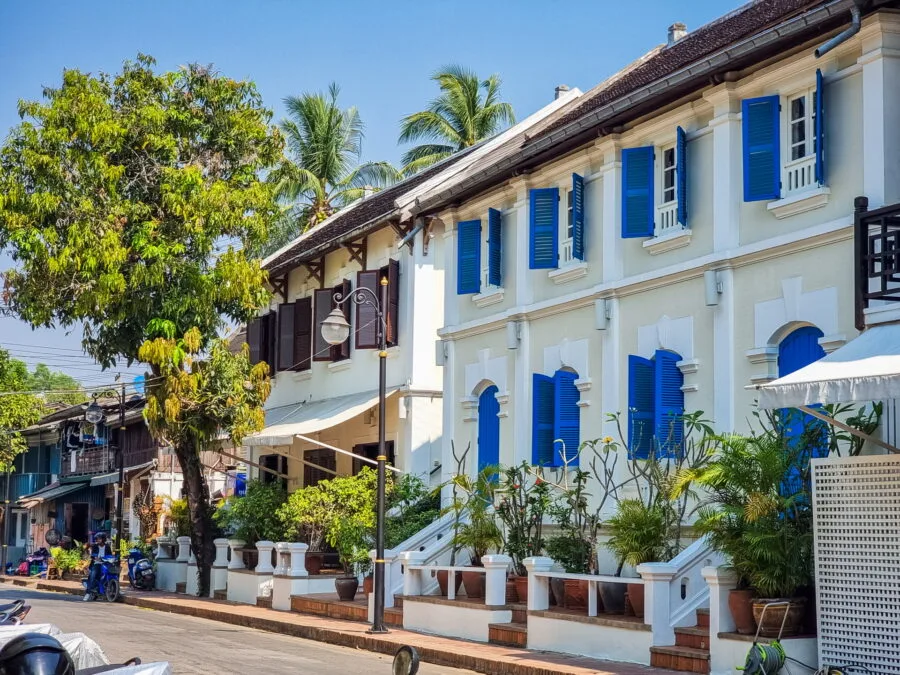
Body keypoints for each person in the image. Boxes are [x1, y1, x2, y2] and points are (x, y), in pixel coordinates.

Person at [83, 533, 112, 601]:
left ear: (103, 539)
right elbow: (93, 555)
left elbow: (110, 555)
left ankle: (115, 588)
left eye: (99, 539)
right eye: (97, 539)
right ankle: (88, 592)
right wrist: (96, 558)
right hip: (97, 563)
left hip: (105, 564)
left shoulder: (107, 547)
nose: (97, 540)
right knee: (93, 575)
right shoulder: (95, 546)